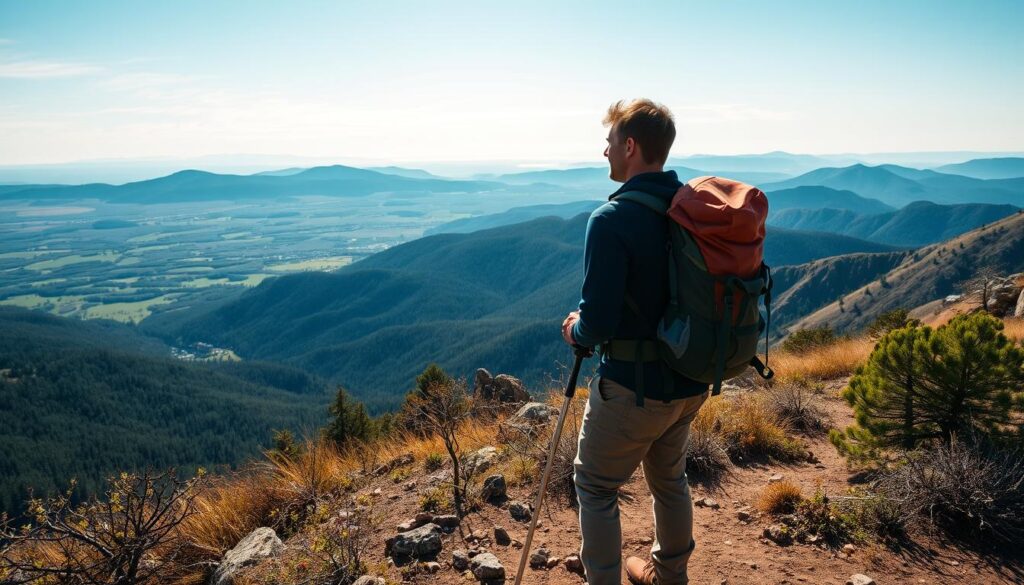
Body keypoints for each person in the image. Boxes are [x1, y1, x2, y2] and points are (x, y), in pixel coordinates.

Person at [561, 99, 711, 585]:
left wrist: (574, 329)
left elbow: (599, 324)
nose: (604, 151)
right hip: (691, 378)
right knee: (669, 481)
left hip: (631, 387)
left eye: (609, 142)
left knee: (596, 486)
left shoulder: (610, 219)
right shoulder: (692, 207)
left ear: (629, 147)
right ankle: (670, 577)